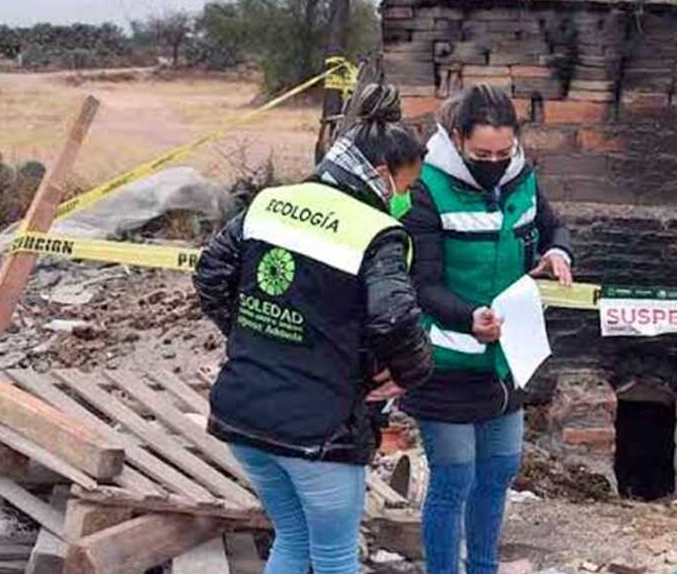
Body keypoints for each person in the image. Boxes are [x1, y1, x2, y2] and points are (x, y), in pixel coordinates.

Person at [193, 85, 432, 574]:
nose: (405, 200)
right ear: (383, 176)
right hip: (317, 429)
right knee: (334, 557)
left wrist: (255, 339)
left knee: (293, 540)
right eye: (405, 189)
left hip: (245, 415)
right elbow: (393, 317)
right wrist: (410, 371)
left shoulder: (269, 203)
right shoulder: (376, 231)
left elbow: (210, 276)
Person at [401, 84, 573, 574]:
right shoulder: (426, 188)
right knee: (454, 479)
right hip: (445, 361)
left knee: (498, 472)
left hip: (505, 361)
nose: (495, 161)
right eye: (483, 154)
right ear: (457, 139)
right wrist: (469, 318)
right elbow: (422, 283)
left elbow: (551, 226)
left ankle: (483, 568)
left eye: (504, 152)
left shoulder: (521, 176)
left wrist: (557, 250)